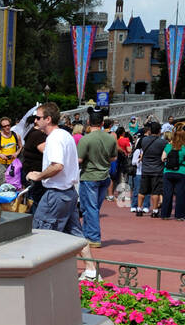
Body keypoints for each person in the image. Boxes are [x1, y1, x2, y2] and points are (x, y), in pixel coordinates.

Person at [26, 103, 95, 278]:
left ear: (48, 119)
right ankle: (91, 270)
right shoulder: (65, 134)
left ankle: (43, 274)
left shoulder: (54, 138)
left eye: (38, 117)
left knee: (41, 232)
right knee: (75, 233)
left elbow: (57, 165)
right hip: (69, 192)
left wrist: (39, 176)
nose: (35, 120)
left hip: (56, 193)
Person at [77, 110, 117, 248]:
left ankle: (93, 237)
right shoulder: (111, 138)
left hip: (90, 177)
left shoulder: (86, 139)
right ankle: (87, 234)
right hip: (104, 176)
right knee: (92, 208)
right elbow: (114, 158)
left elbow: (79, 159)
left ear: (88, 122)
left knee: (90, 208)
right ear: (101, 123)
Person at [160, 124, 185, 220]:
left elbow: (162, 158)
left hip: (168, 172)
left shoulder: (168, 146)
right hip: (181, 172)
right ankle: (179, 216)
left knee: (167, 194)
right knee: (180, 195)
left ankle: (165, 214)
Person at [135, 120, 165, 217]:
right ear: (159, 130)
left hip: (145, 169)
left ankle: (139, 209)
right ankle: (155, 210)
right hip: (157, 169)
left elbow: (140, 149)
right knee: (155, 191)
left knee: (142, 190)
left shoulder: (144, 140)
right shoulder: (162, 142)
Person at [19, 112, 47, 211]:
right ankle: (36, 225)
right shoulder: (38, 135)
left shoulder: (31, 133)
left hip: (30, 172)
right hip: (35, 174)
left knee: (32, 200)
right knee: (37, 202)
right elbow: (48, 153)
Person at [0, 117, 21, 187]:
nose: (7, 127)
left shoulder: (16, 135)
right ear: (1, 128)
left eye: (8, 125)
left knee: (13, 185)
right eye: (5, 126)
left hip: (13, 165)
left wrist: (16, 153)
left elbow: (21, 146)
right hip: (1, 165)